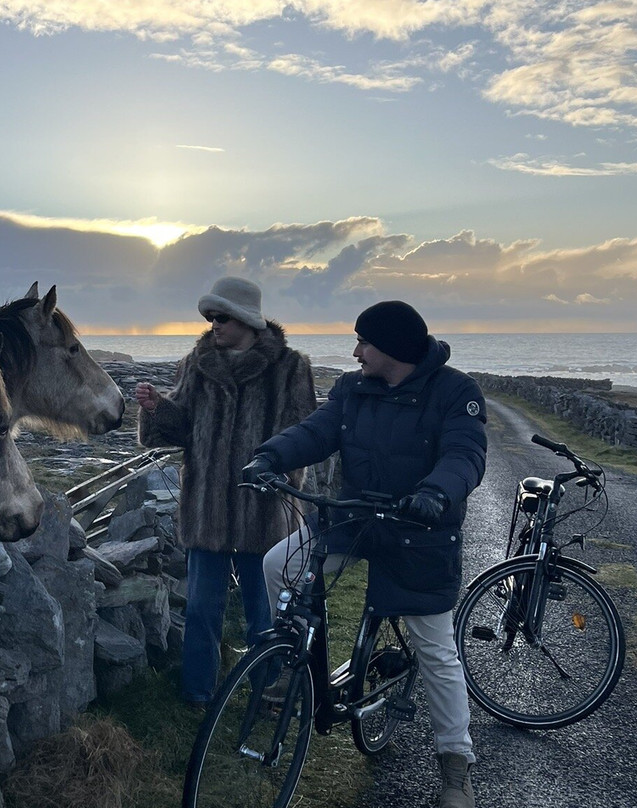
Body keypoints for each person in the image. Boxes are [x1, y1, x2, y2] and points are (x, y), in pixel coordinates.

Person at [242, 300, 487, 808]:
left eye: (363, 342)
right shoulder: (354, 389)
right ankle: (296, 669)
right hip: (351, 520)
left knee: (437, 650)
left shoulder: (455, 392)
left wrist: (437, 494)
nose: (355, 352)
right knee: (275, 566)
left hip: (418, 531)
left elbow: (465, 455)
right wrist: (269, 455)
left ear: (392, 348)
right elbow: (318, 431)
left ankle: (456, 767)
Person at [136, 276, 317, 711]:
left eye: (221, 317)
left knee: (264, 610)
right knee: (201, 609)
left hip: (264, 510)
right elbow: (180, 431)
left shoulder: (290, 368)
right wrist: (157, 408)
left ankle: (267, 691)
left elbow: (307, 435)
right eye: (209, 317)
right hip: (206, 509)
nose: (212, 324)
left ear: (247, 319)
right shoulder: (195, 364)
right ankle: (197, 694)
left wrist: (286, 482)